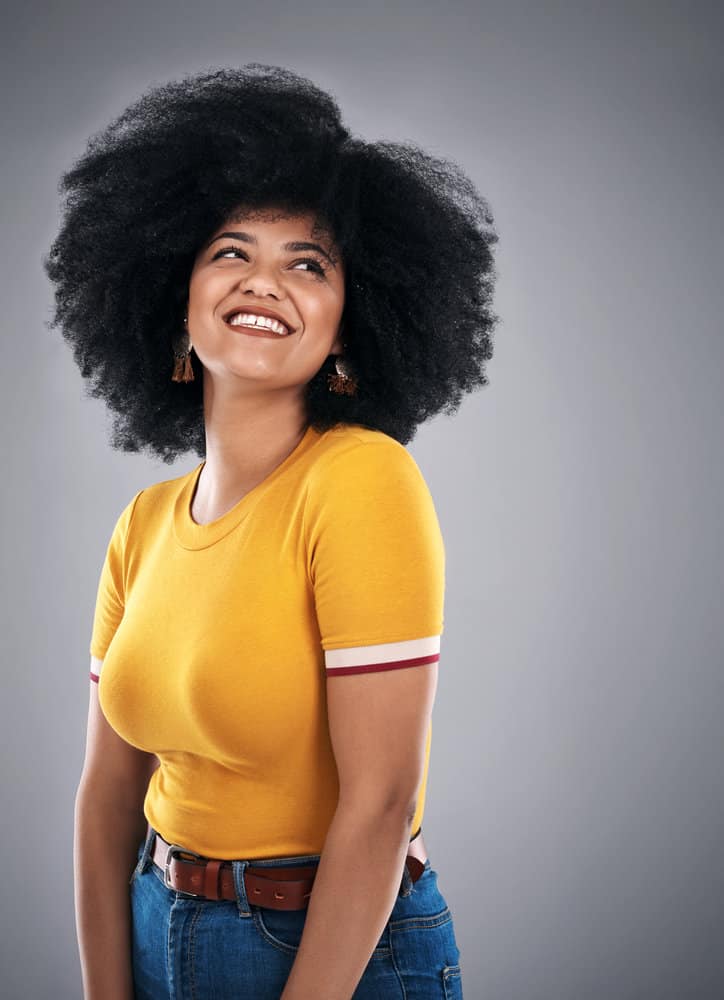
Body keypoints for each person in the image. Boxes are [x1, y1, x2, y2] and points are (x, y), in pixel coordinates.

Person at [44, 63, 498, 1000]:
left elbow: (377, 809)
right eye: (230, 252)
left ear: (347, 325)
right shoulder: (144, 523)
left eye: (309, 263)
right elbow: (104, 798)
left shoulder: (361, 480)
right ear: (177, 295)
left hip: (326, 947)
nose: (266, 282)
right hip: (151, 929)